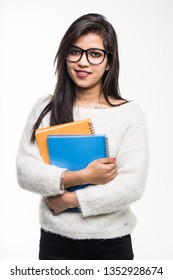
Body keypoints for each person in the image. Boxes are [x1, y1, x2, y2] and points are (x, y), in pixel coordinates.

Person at [16, 13, 148, 260]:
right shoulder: (45, 108)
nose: (83, 62)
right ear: (65, 55)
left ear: (109, 62)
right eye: (75, 51)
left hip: (111, 244)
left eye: (95, 54)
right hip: (55, 241)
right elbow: (26, 171)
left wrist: (70, 200)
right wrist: (82, 176)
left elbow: (131, 186)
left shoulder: (128, 114)